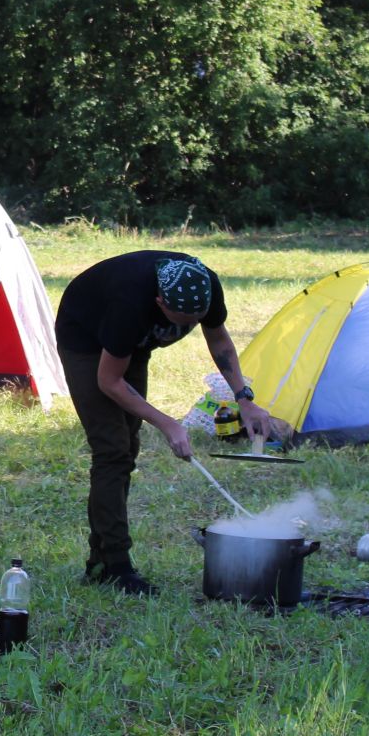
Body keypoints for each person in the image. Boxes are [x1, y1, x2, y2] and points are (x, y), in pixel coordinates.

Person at [55, 251, 276, 595]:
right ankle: (115, 565)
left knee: (128, 445)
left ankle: (99, 560)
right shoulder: (128, 304)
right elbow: (109, 382)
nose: (187, 326)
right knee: (112, 449)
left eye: (194, 319)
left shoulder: (205, 284)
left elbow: (218, 338)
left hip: (134, 345)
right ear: (159, 301)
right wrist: (168, 423)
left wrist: (244, 398)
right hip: (85, 338)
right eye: (180, 319)